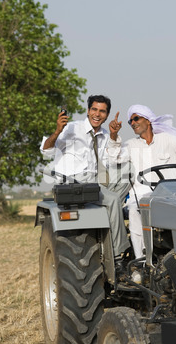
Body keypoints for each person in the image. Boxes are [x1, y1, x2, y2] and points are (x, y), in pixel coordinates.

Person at [40, 95, 131, 258]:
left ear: (107, 115)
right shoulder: (71, 128)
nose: (97, 114)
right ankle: (118, 254)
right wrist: (57, 131)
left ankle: (113, 218)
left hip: (95, 181)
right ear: (88, 111)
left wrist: (113, 136)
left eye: (102, 111)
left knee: (128, 171)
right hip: (75, 182)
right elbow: (46, 151)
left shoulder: (105, 134)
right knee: (113, 200)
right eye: (94, 109)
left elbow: (114, 159)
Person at [108, 104, 176, 258]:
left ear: (149, 120)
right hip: (142, 197)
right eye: (130, 121)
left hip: (173, 195)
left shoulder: (167, 140)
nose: (133, 123)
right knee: (134, 211)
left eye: (136, 118)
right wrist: (113, 136)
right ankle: (141, 261)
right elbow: (113, 159)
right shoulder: (131, 145)